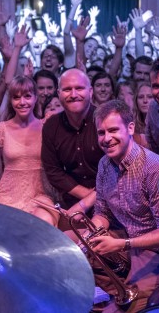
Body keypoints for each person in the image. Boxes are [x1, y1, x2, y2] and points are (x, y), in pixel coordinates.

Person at [84, 100, 159, 312]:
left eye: (113, 130)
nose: (106, 139)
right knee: (69, 245)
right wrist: (88, 235)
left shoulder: (155, 168)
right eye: (101, 132)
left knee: (119, 309)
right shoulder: (104, 164)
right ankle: (112, 294)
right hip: (126, 242)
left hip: (157, 253)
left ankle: (119, 298)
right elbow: (102, 213)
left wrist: (122, 244)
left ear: (131, 128)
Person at [0, 76, 58, 226]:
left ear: (35, 98)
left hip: (41, 194)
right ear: (11, 101)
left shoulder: (46, 126)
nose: (22, 102)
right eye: (16, 97)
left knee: (43, 227)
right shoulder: (1, 129)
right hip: (9, 195)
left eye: (27, 96)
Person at [41, 68, 105, 216]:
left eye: (79, 88)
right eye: (67, 89)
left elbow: (117, 167)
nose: (73, 94)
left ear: (90, 92)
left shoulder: (105, 120)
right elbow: (54, 172)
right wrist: (86, 196)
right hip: (71, 204)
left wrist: (92, 199)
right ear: (59, 94)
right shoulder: (51, 126)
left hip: (111, 201)